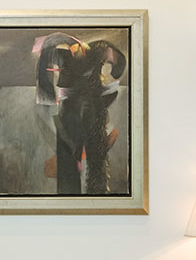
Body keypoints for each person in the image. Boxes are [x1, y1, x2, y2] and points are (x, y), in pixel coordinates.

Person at [33, 31, 129, 194]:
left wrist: (47, 94)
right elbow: (118, 65)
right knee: (91, 160)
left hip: (81, 106)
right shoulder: (96, 50)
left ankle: (83, 193)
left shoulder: (87, 50)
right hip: (84, 106)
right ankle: (92, 192)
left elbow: (118, 64)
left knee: (80, 161)